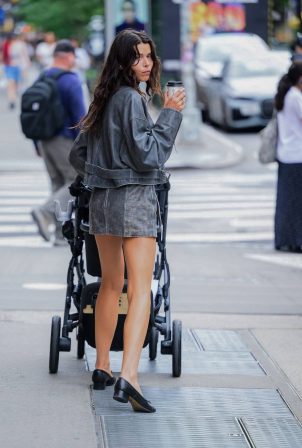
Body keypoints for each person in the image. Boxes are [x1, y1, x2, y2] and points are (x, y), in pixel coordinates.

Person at [69, 29, 185, 412]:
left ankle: (102, 365)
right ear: (122, 62)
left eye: (149, 56)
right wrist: (170, 114)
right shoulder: (133, 100)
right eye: (137, 57)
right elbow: (149, 157)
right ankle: (129, 376)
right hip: (133, 200)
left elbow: (78, 155)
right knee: (139, 291)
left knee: (108, 284)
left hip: (102, 201)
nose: (146, 63)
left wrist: (104, 174)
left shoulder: (101, 100)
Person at [31, 40, 86, 246]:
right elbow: (80, 117)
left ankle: (60, 235)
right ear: (69, 56)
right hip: (64, 138)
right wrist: (85, 144)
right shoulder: (71, 80)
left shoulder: (42, 76)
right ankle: (44, 212)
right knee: (75, 179)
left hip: (44, 139)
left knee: (57, 184)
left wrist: (37, 144)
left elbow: (34, 112)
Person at [274, 64, 302, 252]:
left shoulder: (286, 95)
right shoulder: (295, 97)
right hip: (297, 155)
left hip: (287, 155)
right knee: (297, 203)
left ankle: (285, 239)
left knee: (287, 201)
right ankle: (296, 240)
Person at [3, 33, 31, 109]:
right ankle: (11, 100)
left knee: (16, 85)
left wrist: (26, 66)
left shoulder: (20, 45)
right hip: (9, 66)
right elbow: (4, 56)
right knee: (10, 84)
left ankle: (14, 97)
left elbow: (25, 55)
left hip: (19, 66)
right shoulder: (6, 45)